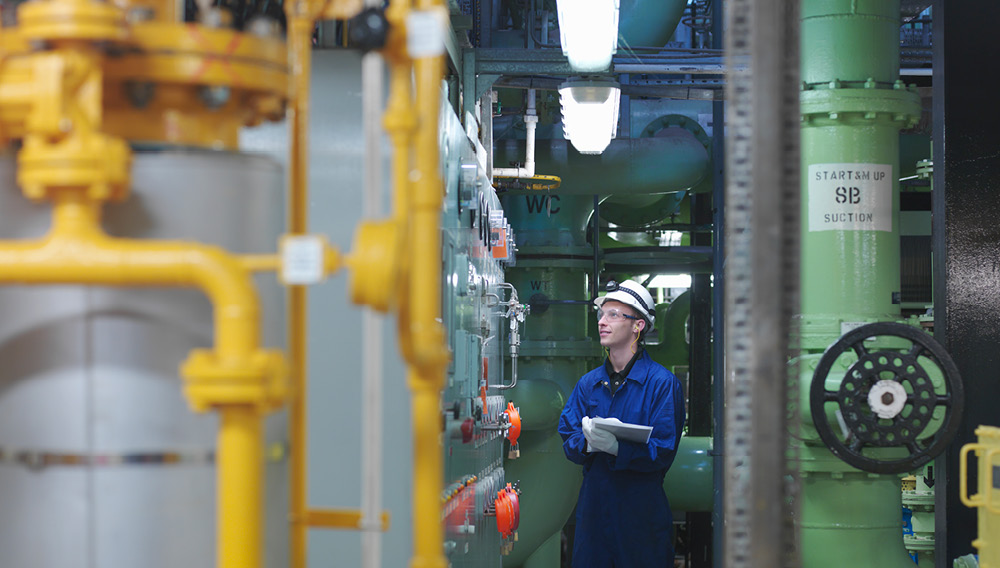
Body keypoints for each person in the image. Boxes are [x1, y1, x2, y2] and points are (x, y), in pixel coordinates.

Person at [558, 279, 686, 567]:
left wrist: (618, 448)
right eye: (602, 314)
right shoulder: (589, 384)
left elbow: (663, 450)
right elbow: (568, 436)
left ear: (638, 326)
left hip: (640, 515)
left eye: (613, 315)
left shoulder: (662, 384)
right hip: (594, 513)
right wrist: (588, 444)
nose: (602, 322)